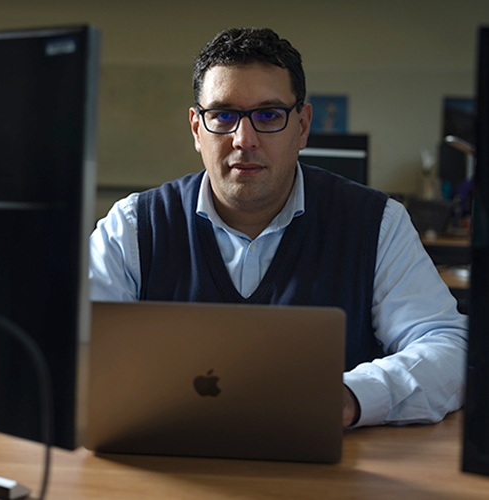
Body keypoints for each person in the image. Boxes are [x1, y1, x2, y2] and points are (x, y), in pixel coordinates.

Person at [89, 27, 468, 428]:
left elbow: (450, 348)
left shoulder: (376, 224)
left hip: (329, 477)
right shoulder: (132, 227)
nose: (244, 139)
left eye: (269, 115)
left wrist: (349, 397)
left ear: (302, 126)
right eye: (223, 115)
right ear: (198, 129)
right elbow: (69, 346)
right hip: (159, 468)